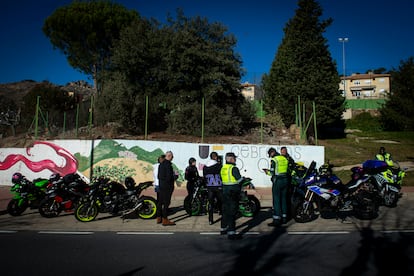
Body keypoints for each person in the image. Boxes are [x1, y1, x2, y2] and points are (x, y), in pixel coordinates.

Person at [264, 147, 289, 227]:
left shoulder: (274, 160)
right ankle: (284, 218)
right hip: (285, 180)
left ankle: (277, 219)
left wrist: (266, 172)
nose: (270, 156)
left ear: (272, 153)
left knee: (276, 200)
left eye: (270, 155)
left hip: (278, 181)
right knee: (284, 199)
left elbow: (272, 172)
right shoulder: (284, 158)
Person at [220, 152, 243, 240]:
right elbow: (239, 180)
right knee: (232, 212)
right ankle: (231, 232)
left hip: (225, 191)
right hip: (233, 192)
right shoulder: (234, 168)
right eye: (234, 158)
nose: (235, 160)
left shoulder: (223, 168)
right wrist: (244, 179)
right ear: (231, 159)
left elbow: (222, 179)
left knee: (225, 210)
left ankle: (223, 228)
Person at [156, 151, 178, 226]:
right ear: (170, 156)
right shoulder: (168, 165)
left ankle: (159, 217)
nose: (172, 158)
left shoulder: (161, 164)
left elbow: (159, 176)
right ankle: (165, 219)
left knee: (160, 201)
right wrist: (175, 176)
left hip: (161, 185)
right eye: (172, 156)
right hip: (167, 186)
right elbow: (169, 177)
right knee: (166, 203)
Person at [203, 151, 223, 225]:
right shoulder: (218, 165)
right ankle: (221, 214)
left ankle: (210, 220)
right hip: (217, 186)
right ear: (215, 157)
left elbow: (205, 176)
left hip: (209, 187)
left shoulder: (205, 166)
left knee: (210, 203)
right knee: (221, 201)